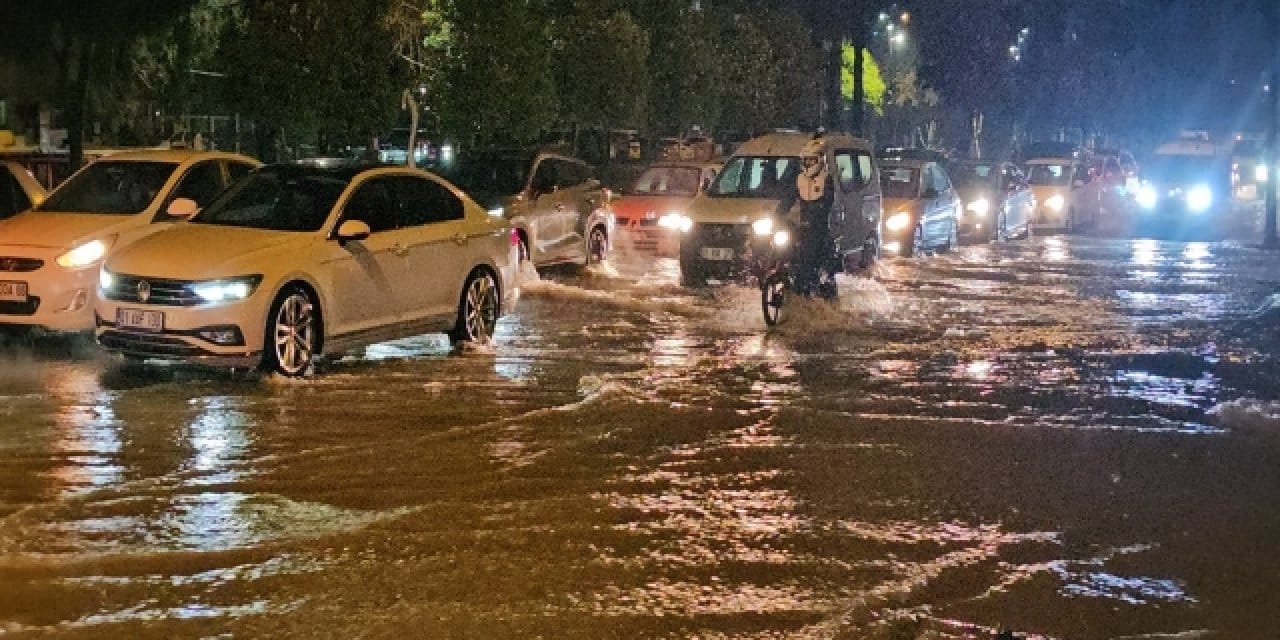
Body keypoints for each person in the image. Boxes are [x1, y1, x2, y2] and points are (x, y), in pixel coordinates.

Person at [787, 136, 836, 296]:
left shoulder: (826, 179)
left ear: (819, 161)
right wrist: (777, 214)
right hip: (803, 224)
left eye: (811, 160)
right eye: (806, 161)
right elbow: (788, 198)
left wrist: (817, 215)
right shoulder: (799, 179)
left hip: (819, 226)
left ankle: (812, 281)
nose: (808, 164)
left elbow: (828, 203)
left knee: (811, 253)